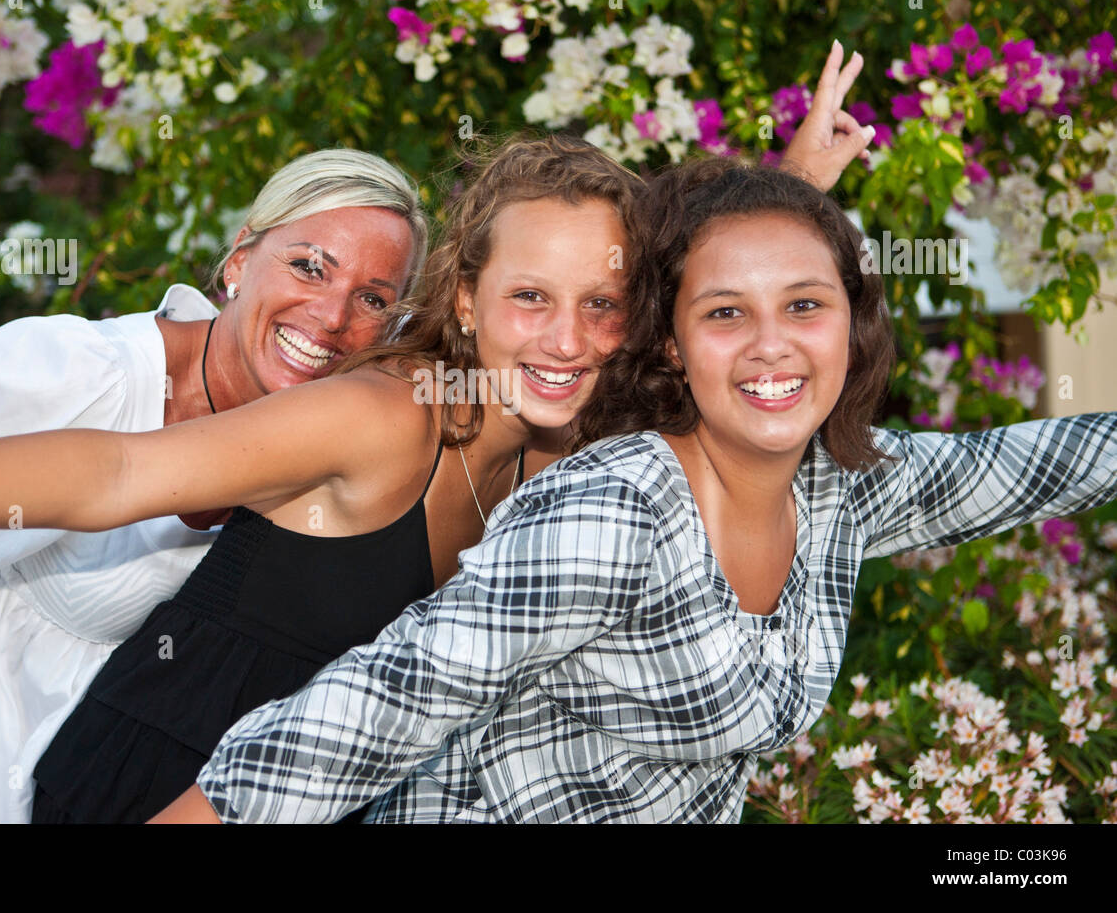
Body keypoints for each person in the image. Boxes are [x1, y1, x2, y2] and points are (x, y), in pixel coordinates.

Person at [0, 47, 873, 824]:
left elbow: (719, 329)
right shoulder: (385, 414)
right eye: (532, 297)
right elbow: (115, 468)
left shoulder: (560, 431)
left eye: (604, 304)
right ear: (466, 299)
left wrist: (790, 185)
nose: (570, 335)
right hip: (153, 786)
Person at [148, 157, 1117, 824]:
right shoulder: (616, 511)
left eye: (805, 307)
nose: (772, 344)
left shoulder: (842, 487)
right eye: (725, 312)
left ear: (849, 329)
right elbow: (381, 703)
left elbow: (1040, 463)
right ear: (670, 342)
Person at [0, 147, 428, 823]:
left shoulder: (335, 450)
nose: (333, 315)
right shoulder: (92, 374)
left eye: (373, 298)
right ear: (239, 260)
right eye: (309, 266)